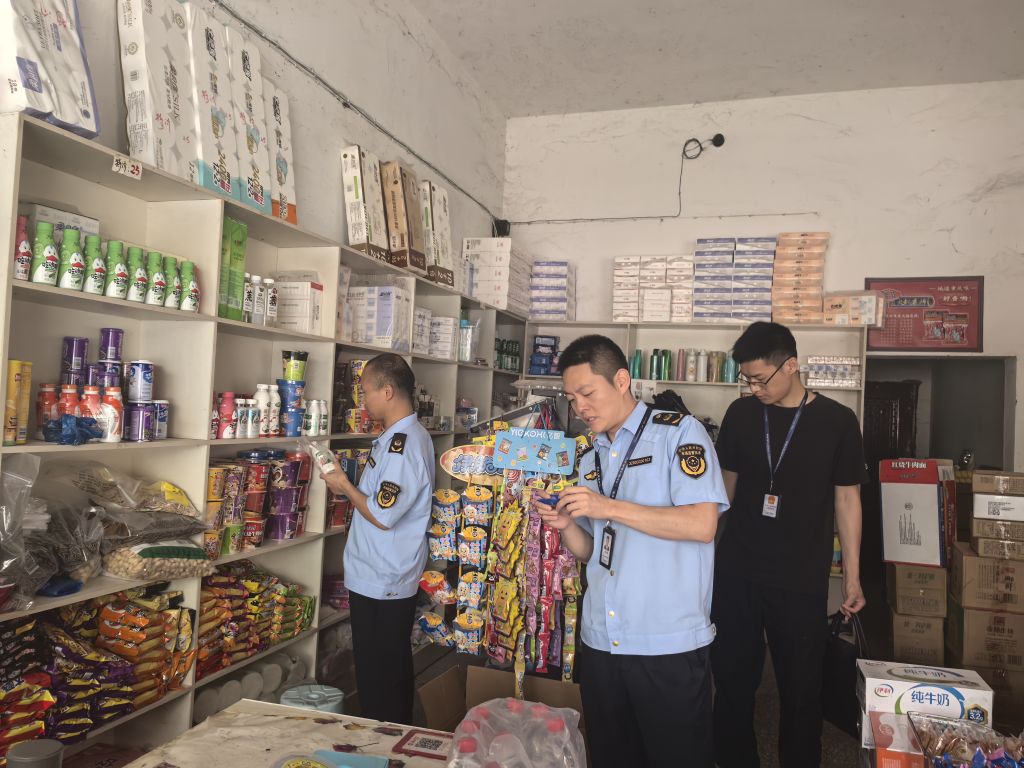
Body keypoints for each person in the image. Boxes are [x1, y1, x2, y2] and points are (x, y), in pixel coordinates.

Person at [537, 334, 729, 768]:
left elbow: (702, 525)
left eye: (588, 393)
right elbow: (592, 551)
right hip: (602, 642)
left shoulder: (678, 433)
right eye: (571, 398)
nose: (580, 408)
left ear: (621, 380)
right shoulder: (591, 456)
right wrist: (566, 526)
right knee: (612, 756)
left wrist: (608, 507)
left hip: (666, 644)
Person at [711, 321, 867, 768]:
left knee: (801, 692)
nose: (754, 388)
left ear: (792, 365)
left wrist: (853, 576)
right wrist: (701, 556)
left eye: (761, 379)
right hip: (737, 571)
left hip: (800, 578)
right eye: (747, 380)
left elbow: (847, 500)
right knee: (733, 683)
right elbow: (723, 492)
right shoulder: (741, 414)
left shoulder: (838, 421)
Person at [319, 353, 434, 725]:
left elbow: (384, 515)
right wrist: (347, 484)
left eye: (366, 390)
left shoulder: (404, 445)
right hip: (378, 573)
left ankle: (387, 743)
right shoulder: (396, 438)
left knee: (381, 679)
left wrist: (344, 486)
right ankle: (389, 739)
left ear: (387, 391)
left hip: (385, 578)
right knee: (382, 672)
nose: (362, 399)